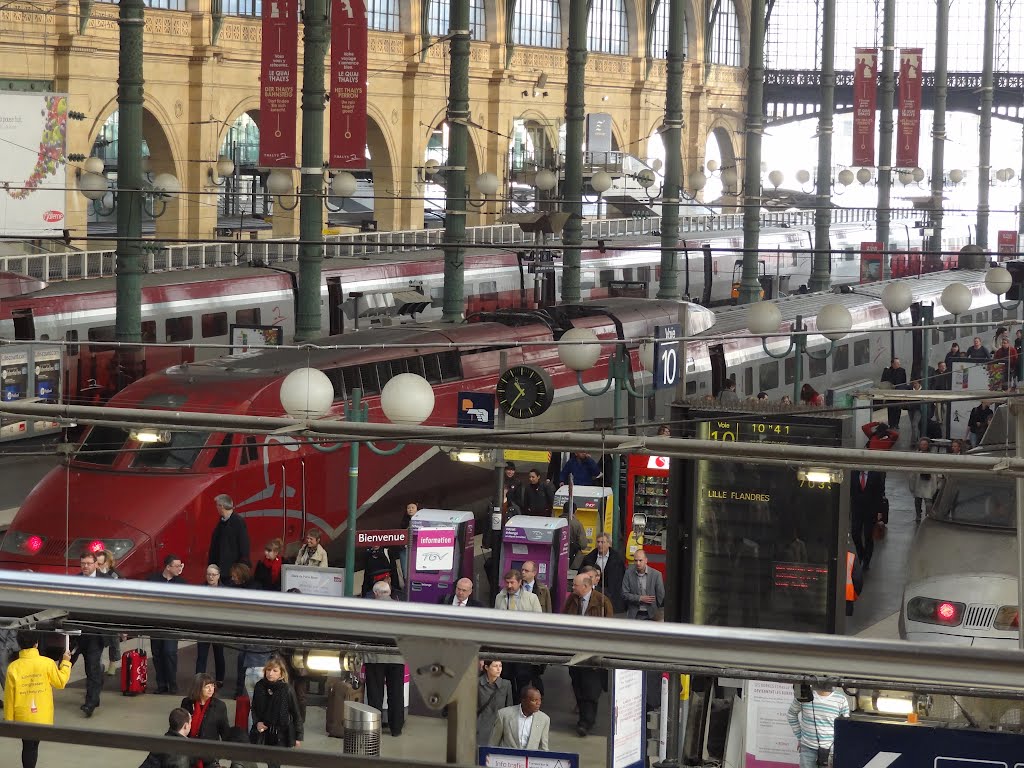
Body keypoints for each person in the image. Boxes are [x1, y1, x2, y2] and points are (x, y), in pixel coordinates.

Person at [4, 629, 72, 768]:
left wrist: (9, 722)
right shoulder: (47, 663)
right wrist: (65, 662)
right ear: (36, 643)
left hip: (23, 717)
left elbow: (9, 698)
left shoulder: (13, 667)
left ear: (19, 644)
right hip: (42, 716)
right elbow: (60, 682)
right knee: (33, 746)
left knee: (28, 746)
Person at [562, 573, 613, 736]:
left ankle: (586, 722)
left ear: (585, 586)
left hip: (593, 655)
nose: (572, 587)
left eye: (575, 585)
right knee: (578, 686)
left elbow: (610, 630)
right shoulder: (572, 600)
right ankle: (584, 718)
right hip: (575, 653)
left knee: (590, 690)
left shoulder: (602, 602)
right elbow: (564, 618)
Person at [365, 581, 406, 736]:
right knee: (396, 693)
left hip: (375, 656)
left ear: (376, 593)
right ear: (389, 592)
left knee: (375, 694)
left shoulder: (370, 609)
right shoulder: (401, 608)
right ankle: (396, 728)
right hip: (397, 657)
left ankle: (375, 729)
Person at [249, 657, 303, 768]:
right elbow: (254, 707)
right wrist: (257, 722)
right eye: (268, 670)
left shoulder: (286, 689)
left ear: (281, 674)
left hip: (281, 732)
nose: (270, 673)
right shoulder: (260, 686)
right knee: (268, 761)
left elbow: (296, 713)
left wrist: (298, 736)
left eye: (275, 671)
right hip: (265, 730)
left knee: (274, 763)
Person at [75, 551, 109, 717]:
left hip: (96, 632)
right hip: (77, 631)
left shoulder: (107, 582)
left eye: (88, 563)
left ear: (96, 564)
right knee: (66, 664)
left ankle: (90, 702)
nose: (85, 567)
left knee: (92, 667)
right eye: (83, 564)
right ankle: (94, 697)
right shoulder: (75, 580)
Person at [148, 554, 186, 695]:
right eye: (177, 566)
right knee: (157, 654)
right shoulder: (153, 580)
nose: (179, 568)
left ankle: (172, 683)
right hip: (156, 624)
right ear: (168, 567)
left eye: (180, 566)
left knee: (169, 652)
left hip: (172, 625)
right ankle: (161, 684)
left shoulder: (182, 583)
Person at [787, 686, 850, 768]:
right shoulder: (804, 696)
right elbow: (791, 715)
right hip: (807, 749)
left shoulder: (841, 699)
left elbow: (845, 727)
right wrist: (799, 736)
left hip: (831, 752)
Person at [180, 673, 230, 768]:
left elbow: (225, 730)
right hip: (189, 750)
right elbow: (181, 726)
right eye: (207, 687)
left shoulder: (220, 706)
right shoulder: (187, 703)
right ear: (198, 688)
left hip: (210, 753)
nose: (211, 689)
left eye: (212, 686)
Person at [580, 532, 627, 613]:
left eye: (603, 542)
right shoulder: (589, 558)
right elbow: (581, 575)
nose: (600, 544)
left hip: (611, 596)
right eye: (598, 542)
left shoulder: (617, 560)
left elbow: (619, 581)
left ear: (609, 544)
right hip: (590, 595)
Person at [195, 565, 226, 686]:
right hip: (203, 627)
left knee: (219, 655)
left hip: (218, 628)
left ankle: (219, 679)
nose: (210, 577)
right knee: (201, 656)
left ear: (218, 576)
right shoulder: (200, 590)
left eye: (213, 575)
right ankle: (198, 679)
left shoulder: (224, 591)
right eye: (208, 574)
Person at [849, 469, 885, 570]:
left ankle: (866, 561)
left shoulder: (876, 474)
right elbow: (850, 490)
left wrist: (879, 511)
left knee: (868, 535)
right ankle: (862, 555)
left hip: (871, 511)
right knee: (855, 533)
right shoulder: (853, 473)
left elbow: (880, 493)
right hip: (857, 510)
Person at [208, 495, 250, 577]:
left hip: (232, 571)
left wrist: (240, 568)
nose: (216, 508)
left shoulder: (238, 522)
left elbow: (244, 545)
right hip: (221, 569)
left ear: (222, 506)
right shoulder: (221, 522)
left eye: (217, 505)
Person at [95, 549, 123, 675]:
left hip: (111, 611)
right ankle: (98, 664)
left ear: (108, 562)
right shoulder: (94, 575)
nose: (98, 566)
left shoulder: (115, 576)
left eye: (101, 564)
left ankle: (113, 663)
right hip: (98, 610)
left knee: (113, 639)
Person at [477, 659, 513, 746]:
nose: (498, 669)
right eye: (495, 666)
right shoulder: (477, 683)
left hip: (498, 727)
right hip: (480, 726)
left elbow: (509, 708)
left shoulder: (506, 684)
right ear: (486, 667)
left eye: (500, 666)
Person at [622, 549, 665, 620]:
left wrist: (653, 606)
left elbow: (661, 594)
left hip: (652, 615)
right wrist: (640, 598)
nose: (638, 563)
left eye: (640, 560)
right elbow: (624, 594)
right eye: (635, 560)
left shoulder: (656, 574)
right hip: (634, 614)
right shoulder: (628, 573)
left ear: (646, 560)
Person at [908, 438, 941, 523]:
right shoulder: (916, 455)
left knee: (928, 500)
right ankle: (918, 515)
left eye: (925, 444)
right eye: (922, 444)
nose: (923, 446)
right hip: (918, 480)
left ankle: (928, 515)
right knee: (917, 500)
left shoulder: (932, 456)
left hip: (929, 481)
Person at [880, 357, 908, 427]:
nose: (899, 364)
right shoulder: (887, 371)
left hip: (898, 392)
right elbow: (883, 382)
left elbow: (904, 382)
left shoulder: (902, 371)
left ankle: (896, 423)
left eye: (899, 363)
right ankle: (891, 423)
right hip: (890, 392)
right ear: (892, 364)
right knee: (890, 408)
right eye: (897, 363)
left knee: (898, 409)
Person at [562, 502, 589, 567]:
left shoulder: (556, 521)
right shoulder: (577, 524)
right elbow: (583, 544)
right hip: (572, 557)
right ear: (575, 511)